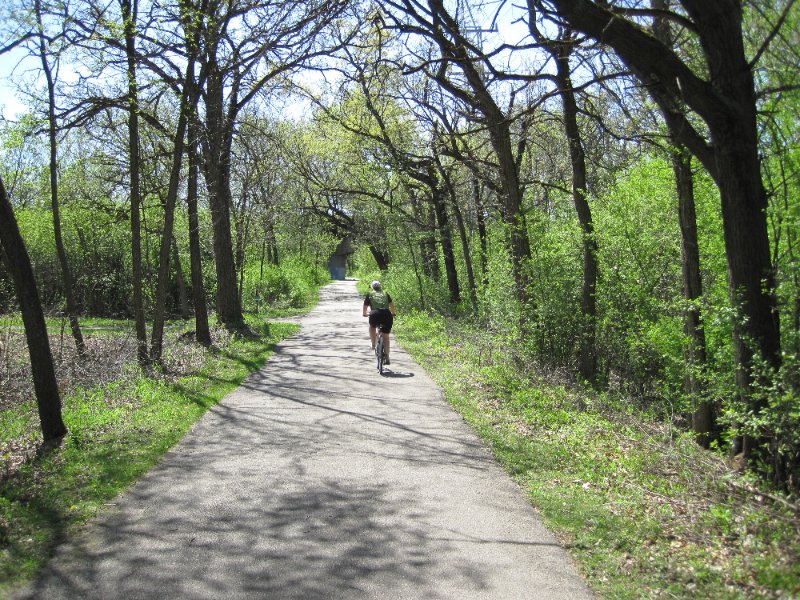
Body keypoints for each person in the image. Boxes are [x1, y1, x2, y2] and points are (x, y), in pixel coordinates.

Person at [362, 280, 396, 365]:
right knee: (386, 337)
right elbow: (391, 305)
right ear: (380, 287)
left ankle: (373, 344)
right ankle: (387, 356)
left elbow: (365, 306)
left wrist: (364, 314)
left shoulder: (370, 294)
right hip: (386, 314)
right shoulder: (385, 293)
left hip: (375, 313)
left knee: (372, 327)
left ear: (372, 287)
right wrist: (393, 313)